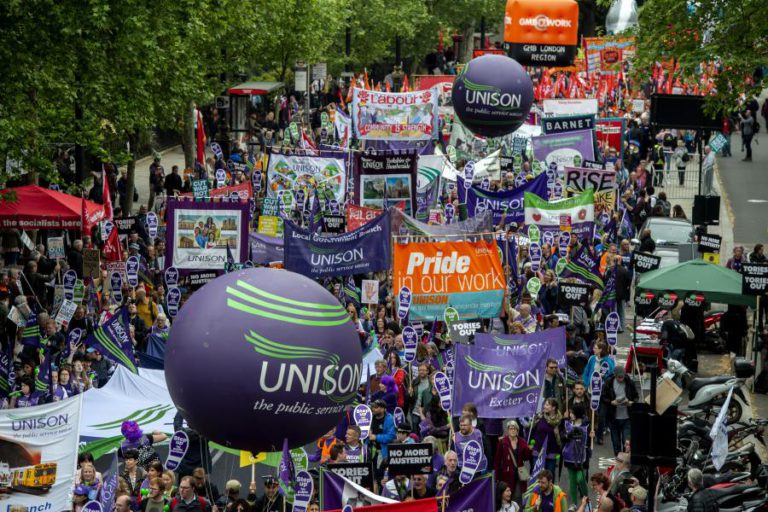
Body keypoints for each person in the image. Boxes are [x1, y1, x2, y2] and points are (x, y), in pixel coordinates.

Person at [602, 367, 638, 456]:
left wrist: (631, 402)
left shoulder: (630, 383)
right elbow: (603, 397)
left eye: (622, 377)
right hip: (614, 418)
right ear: (615, 376)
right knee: (616, 443)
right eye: (619, 377)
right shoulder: (608, 383)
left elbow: (636, 397)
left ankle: (625, 462)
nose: (621, 379)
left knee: (627, 443)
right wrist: (611, 402)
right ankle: (619, 462)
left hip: (627, 418)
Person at [494, 419, 532, 503]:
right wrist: (497, 476)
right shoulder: (502, 442)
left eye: (514, 428)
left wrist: (528, 450)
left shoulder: (522, 442)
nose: (513, 430)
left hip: (519, 473)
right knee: (507, 496)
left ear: (517, 430)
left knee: (517, 496)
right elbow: (497, 461)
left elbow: (526, 458)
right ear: (508, 430)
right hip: (506, 475)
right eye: (511, 428)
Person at [563, 404, 590, 504]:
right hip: (569, 457)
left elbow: (574, 433)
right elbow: (564, 436)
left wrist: (567, 434)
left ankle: (586, 498)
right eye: (570, 412)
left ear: (577, 414)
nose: (570, 414)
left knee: (580, 479)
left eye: (572, 413)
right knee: (572, 482)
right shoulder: (567, 423)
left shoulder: (585, 426)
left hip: (580, 458)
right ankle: (574, 504)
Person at [530, 398, 563, 476]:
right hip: (538, 451)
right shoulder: (539, 417)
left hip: (552, 452)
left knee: (549, 476)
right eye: (544, 404)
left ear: (553, 407)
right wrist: (530, 443)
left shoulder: (560, 420)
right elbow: (531, 430)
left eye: (547, 405)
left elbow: (562, 435)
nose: (544, 406)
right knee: (537, 476)